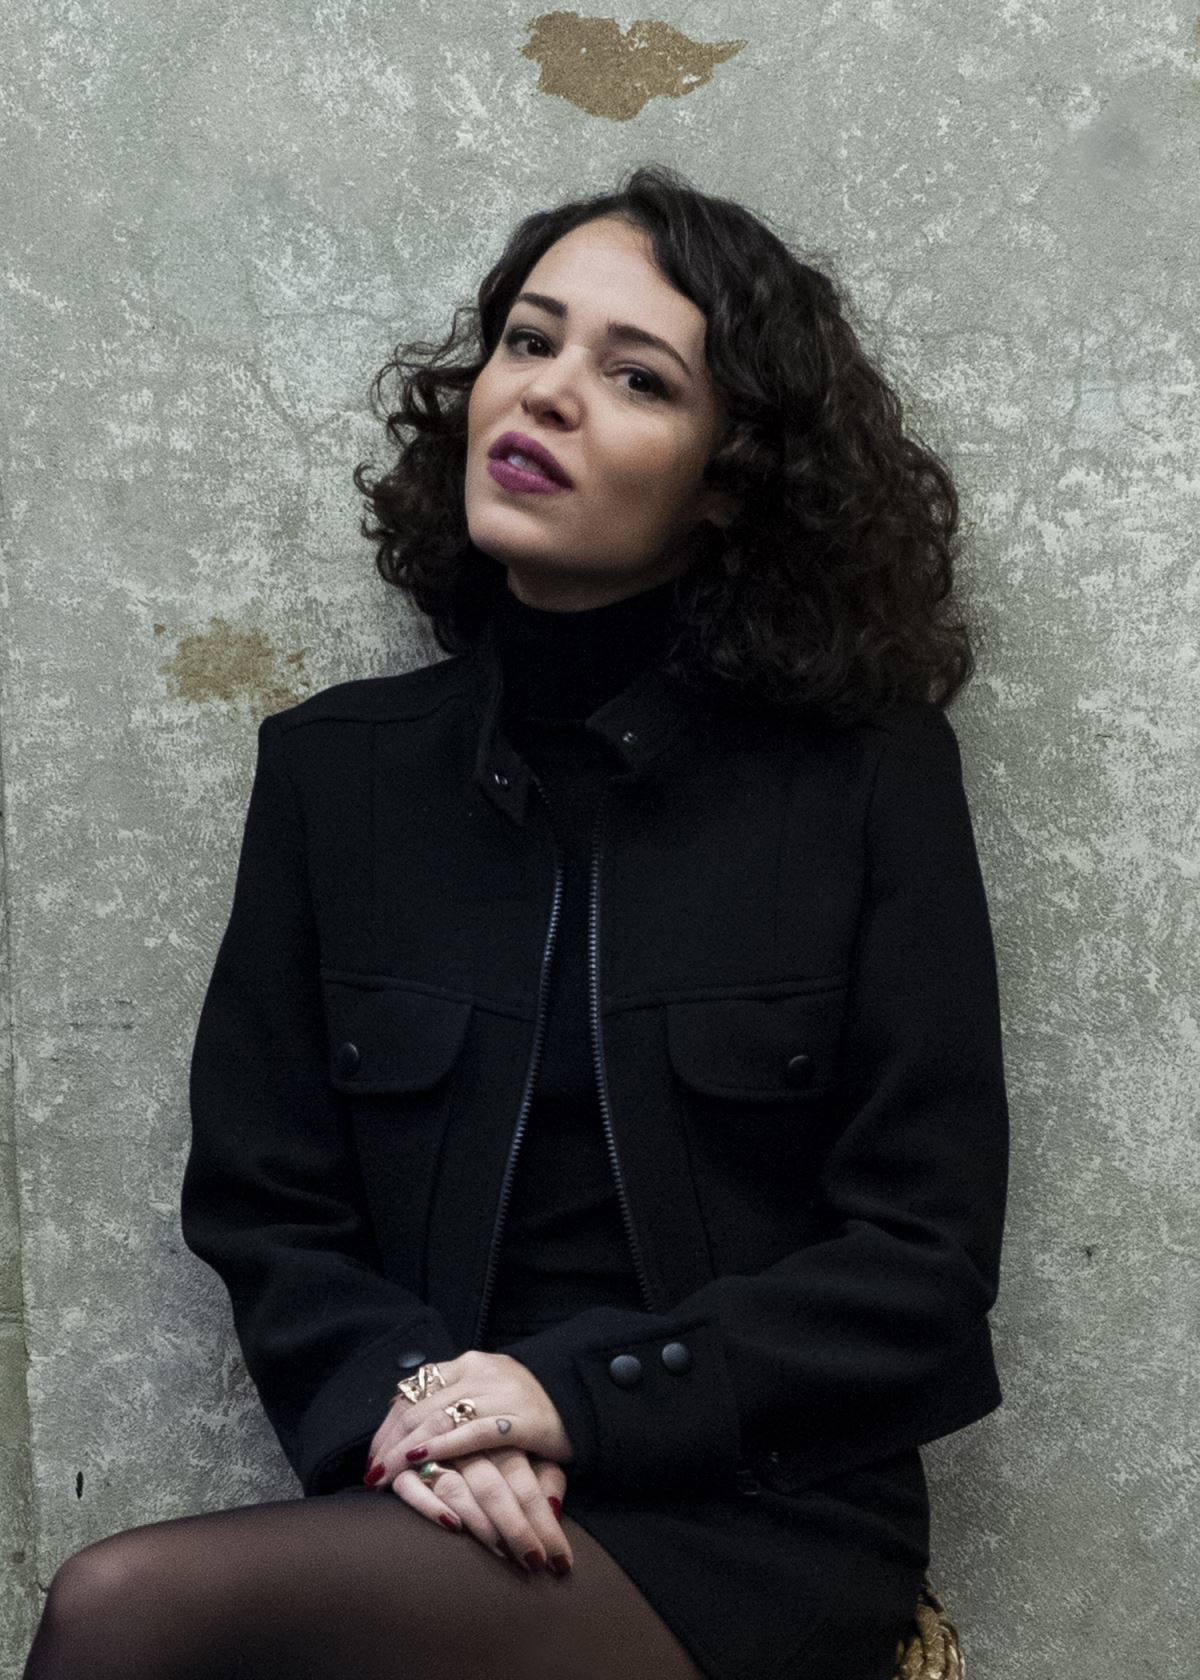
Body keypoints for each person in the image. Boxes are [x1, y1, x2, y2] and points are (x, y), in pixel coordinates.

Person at [22, 163, 1009, 1680]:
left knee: (125, 1615)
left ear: (730, 477)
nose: (546, 392)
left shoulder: (866, 780)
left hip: (761, 1507)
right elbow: (266, 1205)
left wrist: (575, 1396)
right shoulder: (337, 774)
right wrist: (423, 1405)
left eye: (637, 376)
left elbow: (921, 1261)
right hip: (442, 1471)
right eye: (530, 342)